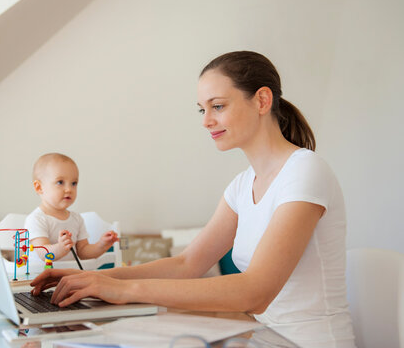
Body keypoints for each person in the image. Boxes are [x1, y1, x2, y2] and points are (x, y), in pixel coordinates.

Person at [30, 52, 356, 347]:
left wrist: (122, 290)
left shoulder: (304, 170)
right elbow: (187, 264)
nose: (205, 121)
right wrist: (95, 278)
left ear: (261, 101)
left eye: (218, 106)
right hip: (263, 338)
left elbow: (256, 293)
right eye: (203, 109)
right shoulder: (242, 186)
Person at [25, 153, 118, 271]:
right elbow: (43, 253)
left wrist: (101, 245)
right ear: (39, 187)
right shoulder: (37, 219)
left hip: (70, 278)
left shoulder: (76, 219)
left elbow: (83, 252)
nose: (69, 189)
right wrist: (60, 248)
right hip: (41, 277)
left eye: (74, 183)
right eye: (60, 182)